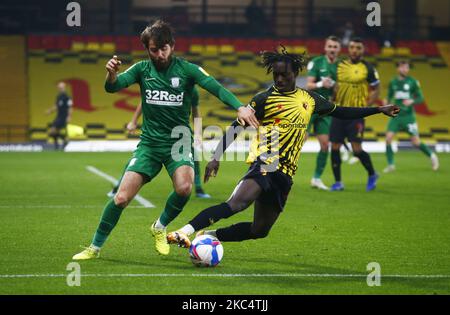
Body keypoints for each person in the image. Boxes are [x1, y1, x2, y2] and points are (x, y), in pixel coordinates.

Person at [166, 47, 399, 247]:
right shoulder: (264, 99)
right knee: (237, 204)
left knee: (260, 230)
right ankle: (183, 232)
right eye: (275, 75)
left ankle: (209, 236)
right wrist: (216, 156)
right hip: (267, 161)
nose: (279, 79)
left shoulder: (310, 100)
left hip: (286, 173)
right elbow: (236, 126)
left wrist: (378, 109)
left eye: (284, 75)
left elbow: (341, 111)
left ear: (295, 74)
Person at [72, 20, 257, 260]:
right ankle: (94, 248)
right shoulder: (141, 70)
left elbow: (217, 89)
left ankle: (159, 226)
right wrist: (111, 74)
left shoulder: (187, 70)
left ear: (172, 46)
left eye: (164, 48)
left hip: (178, 143)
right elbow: (113, 88)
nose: (160, 54)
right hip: (149, 144)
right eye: (154, 50)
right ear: (147, 49)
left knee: (184, 188)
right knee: (120, 198)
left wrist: (240, 107)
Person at [107, 87, 211, 199]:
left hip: (179, 133)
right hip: (157, 132)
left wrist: (198, 133)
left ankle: (199, 188)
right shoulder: (159, 82)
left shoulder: (191, 89)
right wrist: (133, 121)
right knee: (138, 158)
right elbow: (144, 101)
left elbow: (195, 111)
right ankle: (118, 186)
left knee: (193, 156)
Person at [330, 37, 381, 192]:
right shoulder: (340, 65)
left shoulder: (368, 68)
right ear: (348, 49)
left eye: (358, 48)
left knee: (356, 149)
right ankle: (338, 182)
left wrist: (367, 106)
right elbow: (334, 86)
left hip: (356, 113)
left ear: (362, 50)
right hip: (339, 112)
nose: (354, 50)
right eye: (352, 47)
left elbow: (377, 89)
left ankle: (372, 174)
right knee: (335, 147)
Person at [383, 60, 439, 172]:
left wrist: (411, 101)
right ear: (398, 68)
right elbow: (389, 96)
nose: (405, 70)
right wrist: (386, 102)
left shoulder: (413, 82)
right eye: (402, 67)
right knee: (388, 138)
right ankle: (391, 165)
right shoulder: (393, 82)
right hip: (396, 113)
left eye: (406, 68)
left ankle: (432, 156)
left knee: (416, 142)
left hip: (408, 116)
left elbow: (420, 98)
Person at [306, 35, 341, 190]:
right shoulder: (317, 62)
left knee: (325, 145)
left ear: (339, 49)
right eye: (330, 46)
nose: (332, 49)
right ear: (325, 48)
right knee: (299, 141)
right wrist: (321, 83)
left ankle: (316, 178)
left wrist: (335, 87)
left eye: (335, 47)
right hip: (311, 107)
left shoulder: (342, 66)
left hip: (326, 109)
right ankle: (280, 174)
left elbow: (339, 90)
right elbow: (308, 85)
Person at [45, 82, 73, 150]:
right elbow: (56, 106)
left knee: (52, 131)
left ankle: (60, 143)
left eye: (62, 87)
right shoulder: (58, 97)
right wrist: (50, 111)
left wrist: (69, 116)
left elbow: (70, 107)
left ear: (64, 88)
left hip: (63, 117)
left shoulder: (67, 97)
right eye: (59, 88)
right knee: (52, 132)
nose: (60, 89)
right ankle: (62, 142)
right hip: (58, 116)